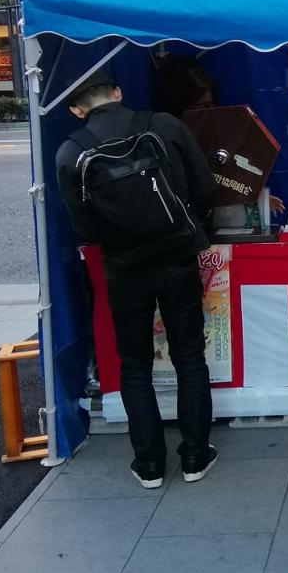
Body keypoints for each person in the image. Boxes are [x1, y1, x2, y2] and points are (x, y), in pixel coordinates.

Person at [55, 70, 219, 489]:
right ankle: (196, 456)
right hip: (178, 258)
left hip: (125, 269)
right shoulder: (164, 125)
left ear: (76, 109)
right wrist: (188, 227)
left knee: (134, 365)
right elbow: (204, 188)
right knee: (189, 357)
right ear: (118, 92)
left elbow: (86, 230)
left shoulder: (70, 152)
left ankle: (148, 463)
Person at [153, 56, 285, 219]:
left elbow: (231, 180)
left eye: (208, 106)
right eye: (196, 107)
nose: (203, 112)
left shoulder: (220, 135)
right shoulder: (167, 138)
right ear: (181, 105)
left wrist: (257, 200)